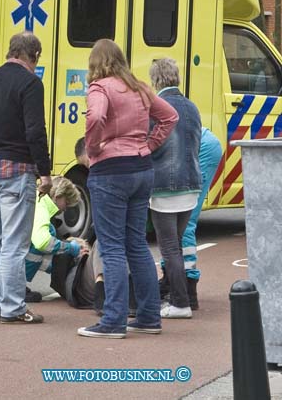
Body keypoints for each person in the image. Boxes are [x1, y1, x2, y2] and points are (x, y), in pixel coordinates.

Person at [77, 39, 178, 339]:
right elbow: (170, 117)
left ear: (96, 63)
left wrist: (93, 147)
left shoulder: (100, 88)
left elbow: (95, 117)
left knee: (111, 247)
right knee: (136, 244)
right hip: (142, 167)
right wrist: (148, 143)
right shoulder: (140, 87)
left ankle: (113, 320)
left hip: (110, 171)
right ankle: (148, 316)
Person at [0, 32, 52, 325]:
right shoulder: (30, 84)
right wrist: (45, 172)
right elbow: (35, 132)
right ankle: (13, 308)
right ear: (34, 55)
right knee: (15, 243)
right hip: (18, 170)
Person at [0, 177, 86, 302]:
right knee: (43, 237)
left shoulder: (28, 195)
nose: (65, 209)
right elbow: (43, 243)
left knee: (19, 237)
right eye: (67, 203)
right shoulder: (39, 206)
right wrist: (71, 248)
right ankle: (17, 289)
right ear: (58, 197)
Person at [148, 58, 202, 319]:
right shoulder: (192, 107)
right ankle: (178, 297)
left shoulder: (155, 108)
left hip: (164, 189)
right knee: (176, 246)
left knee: (169, 248)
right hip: (191, 185)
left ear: (155, 80)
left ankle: (180, 303)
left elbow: (149, 145)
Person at [158, 127, 222, 310]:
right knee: (168, 224)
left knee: (185, 220)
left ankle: (189, 286)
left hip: (202, 147)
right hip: (191, 145)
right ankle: (170, 279)